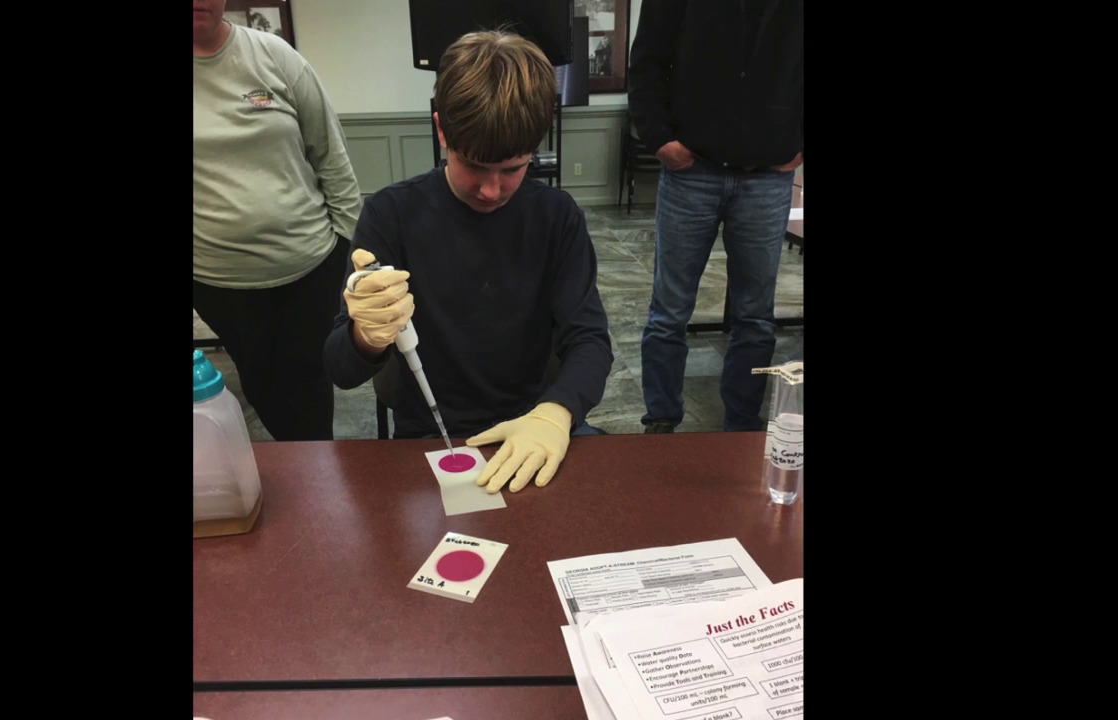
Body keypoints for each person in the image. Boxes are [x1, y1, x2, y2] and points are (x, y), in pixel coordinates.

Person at [324, 30, 613, 494]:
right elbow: (341, 370)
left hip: (532, 427)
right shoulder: (392, 214)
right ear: (442, 131)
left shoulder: (556, 217)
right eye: (474, 166)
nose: (491, 190)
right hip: (432, 436)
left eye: (514, 168)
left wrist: (556, 414)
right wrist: (366, 335)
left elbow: (591, 341)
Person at [628, 0, 803, 433]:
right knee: (668, 313)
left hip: (768, 175)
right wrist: (658, 138)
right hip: (692, 171)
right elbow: (647, 60)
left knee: (755, 317)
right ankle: (661, 422)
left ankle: (742, 428)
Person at [194, 0, 361, 440]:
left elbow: (331, 155)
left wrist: (347, 246)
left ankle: (318, 484)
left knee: (309, 388)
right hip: (218, 280)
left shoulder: (275, 55)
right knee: (262, 384)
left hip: (309, 266)